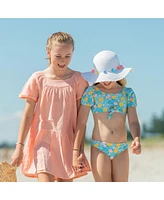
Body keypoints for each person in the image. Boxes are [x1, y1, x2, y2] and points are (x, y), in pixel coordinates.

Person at [11, 32, 91, 182]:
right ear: (49, 53)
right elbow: (27, 115)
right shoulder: (38, 79)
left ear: (73, 53)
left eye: (67, 56)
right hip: (42, 141)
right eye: (58, 56)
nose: (63, 60)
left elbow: (82, 119)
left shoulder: (78, 80)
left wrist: (78, 150)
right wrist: (19, 147)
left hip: (68, 142)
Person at [72, 50, 141, 182]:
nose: (106, 81)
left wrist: (136, 138)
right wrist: (76, 150)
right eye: (103, 78)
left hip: (121, 147)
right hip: (100, 147)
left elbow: (133, 122)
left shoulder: (127, 93)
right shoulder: (91, 93)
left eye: (109, 77)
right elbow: (81, 123)